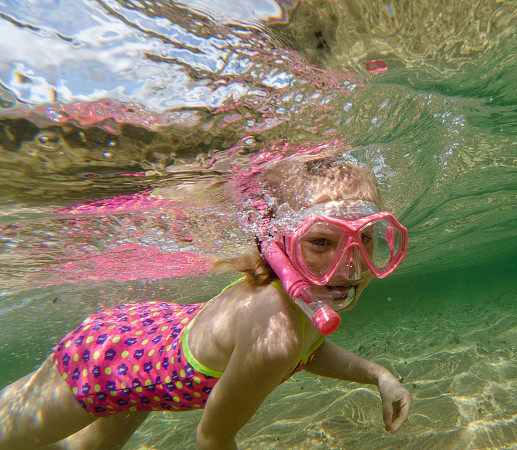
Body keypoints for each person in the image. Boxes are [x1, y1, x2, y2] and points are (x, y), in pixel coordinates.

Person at [0, 155, 413, 449]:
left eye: (367, 239)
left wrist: (378, 375)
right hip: (110, 359)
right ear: (279, 243)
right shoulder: (275, 335)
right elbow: (213, 438)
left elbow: (312, 350)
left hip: (149, 339)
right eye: (322, 242)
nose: (351, 267)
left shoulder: (295, 310)